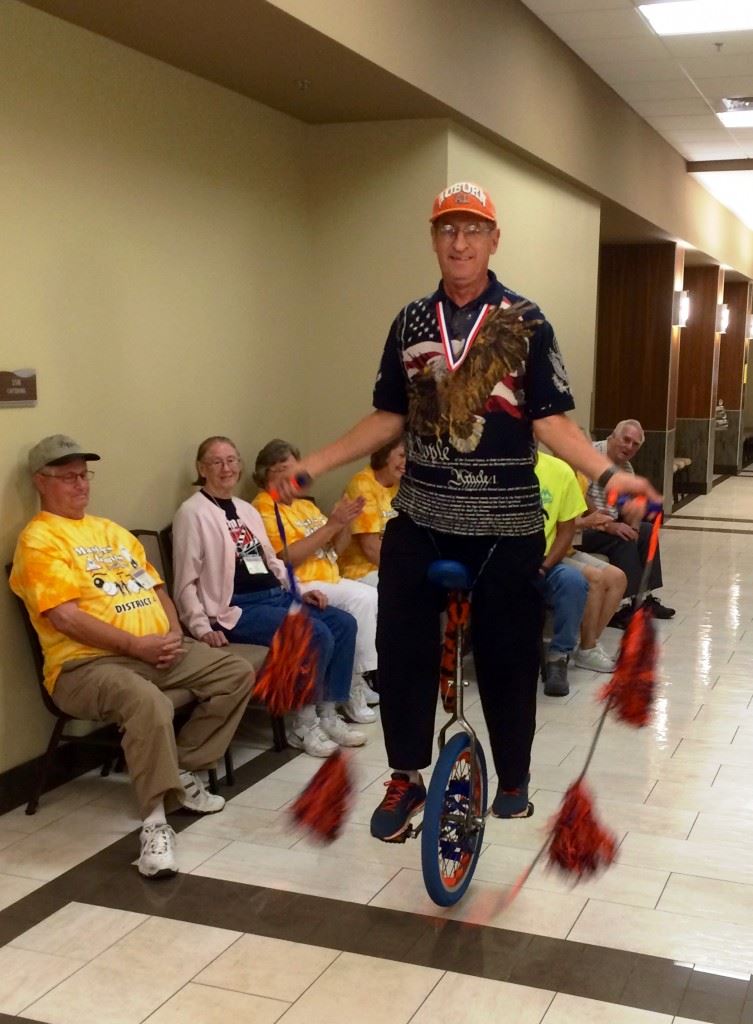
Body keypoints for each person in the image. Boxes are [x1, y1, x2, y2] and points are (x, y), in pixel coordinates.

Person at [272, 181, 660, 842]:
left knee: (509, 655)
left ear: (492, 240)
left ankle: (511, 776)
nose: (459, 242)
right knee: (400, 649)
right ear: (433, 239)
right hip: (422, 518)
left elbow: (552, 423)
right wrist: (315, 462)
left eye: (472, 230)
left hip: (505, 528)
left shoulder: (525, 321)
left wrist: (605, 476)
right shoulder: (409, 322)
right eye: (447, 230)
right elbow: (389, 415)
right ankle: (404, 776)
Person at [10, 435, 253, 880]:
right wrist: (135, 646)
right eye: (68, 477)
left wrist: (174, 635)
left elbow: (157, 589)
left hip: (152, 653)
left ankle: (180, 767)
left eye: (85, 475)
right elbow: (65, 618)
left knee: (235, 670)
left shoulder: (111, 531)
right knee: (148, 702)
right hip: (84, 667)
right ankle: (155, 824)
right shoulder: (39, 540)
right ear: (41, 482)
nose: (80, 485)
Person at [171, 436, 366, 757]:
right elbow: (185, 580)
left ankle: (328, 713)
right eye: (217, 462)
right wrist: (201, 627)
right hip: (235, 608)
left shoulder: (245, 511)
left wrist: (300, 592)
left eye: (232, 460)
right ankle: (302, 723)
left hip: (274, 596)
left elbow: (271, 563)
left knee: (343, 622)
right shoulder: (192, 513)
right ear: (201, 468)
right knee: (312, 633)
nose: (226, 468)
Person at [252, 439, 380, 721]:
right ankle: (355, 685)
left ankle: (353, 684)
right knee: (364, 597)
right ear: (266, 474)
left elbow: (334, 550)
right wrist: (332, 525)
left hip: (328, 577)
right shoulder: (264, 506)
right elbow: (284, 558)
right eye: (284, 469)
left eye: (295, 469)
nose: (292, 477)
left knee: (367, 596)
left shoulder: (304, 506)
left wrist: (344, 522)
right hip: (299, 583)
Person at [535, 451, 626, 697]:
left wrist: (607, 522)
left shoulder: (568, 474)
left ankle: (578, 649)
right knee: (594, 579)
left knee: (615, 578)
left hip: (557, 553)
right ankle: (585, 646)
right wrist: (591, 522)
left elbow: (578, 518)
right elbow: (577, 522)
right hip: (532, 554)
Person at [580, 419, 674, 627]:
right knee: (622, 539)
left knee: (646, 531)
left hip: (608, 521)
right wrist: (610, 526)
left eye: (635, 444)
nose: (629, 447)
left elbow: (629, 506)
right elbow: (580, 498)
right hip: (584, 524)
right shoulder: (591, 455)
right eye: (626, 440)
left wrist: (633, 527)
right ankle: (620, 607)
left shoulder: (627, 469)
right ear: (612, 437)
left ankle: (644, 598)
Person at [338, 436, 406, 587]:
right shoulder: (362, 484)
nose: (406, 463)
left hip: (391, 565)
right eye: (402, 455)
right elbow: (370, 548)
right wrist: (404, 572)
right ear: (385, 454)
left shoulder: (400, 485)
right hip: (362, 571)